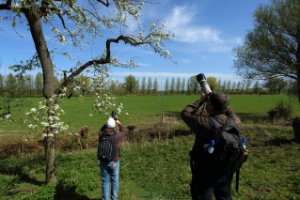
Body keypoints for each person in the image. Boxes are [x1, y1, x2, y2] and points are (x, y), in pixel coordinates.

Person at [181, 92, 242, 200]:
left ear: (212, 106)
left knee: (202, 194)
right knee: (224, 195)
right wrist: (222, 103)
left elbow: (185, 114)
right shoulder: (236, 121)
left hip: (205, 170)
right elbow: (230, 112)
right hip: (226, 168)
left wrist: (200, 100)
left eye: (208, 102)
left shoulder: (205, 123)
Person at [98, 115, 125, 200]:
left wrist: (108, 121)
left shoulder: (101, 134)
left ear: (106, 125)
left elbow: (102, 128)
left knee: (105, 182)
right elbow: (123, 131)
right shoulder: (116, 136)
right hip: (114, 161)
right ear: (113, 126)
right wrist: (119, 122)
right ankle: (114, 198)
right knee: (114, 181)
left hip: (103, 161)